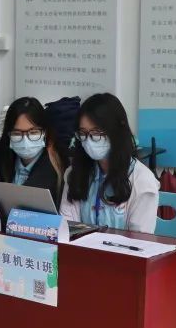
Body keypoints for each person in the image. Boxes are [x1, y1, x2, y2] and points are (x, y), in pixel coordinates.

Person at [59, 93, 159, 232]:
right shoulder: (74, 173)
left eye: (96, 133)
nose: (88, 140)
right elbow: (67, 227)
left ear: (117, 132)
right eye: (82, 133)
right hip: (80, 245)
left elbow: (140, 240)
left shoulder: (142, 181)